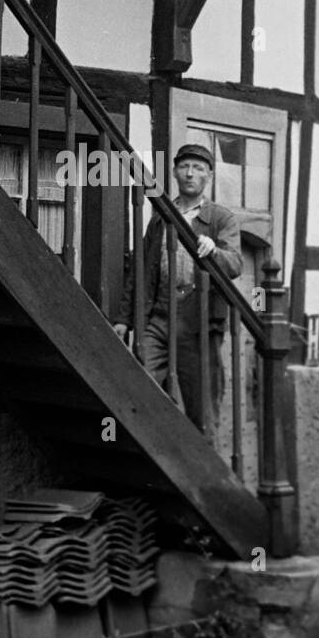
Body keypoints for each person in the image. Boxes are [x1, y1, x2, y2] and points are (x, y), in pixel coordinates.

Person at [113, 144, 242, 433]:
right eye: (185, 167)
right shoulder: (161, 216)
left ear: (208, 175)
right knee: (139, 390)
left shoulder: (221, 218)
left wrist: (215, 252)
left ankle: (206, 471)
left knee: (202, 409)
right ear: (174, 172)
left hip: (198, 324)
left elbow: (235, 264)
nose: (190, 173)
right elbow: (141, 268)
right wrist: (123, 319)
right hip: (158, 316)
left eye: (198, 168)